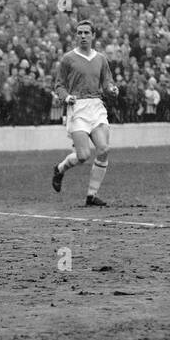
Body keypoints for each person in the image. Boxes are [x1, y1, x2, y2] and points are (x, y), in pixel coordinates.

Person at [50, 19, 118, 205]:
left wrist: (111, 89)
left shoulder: (101, 59)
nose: (83, 36)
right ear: (75, 36)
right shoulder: (68, 59)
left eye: (86, 33)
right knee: (83, 156)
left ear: (93, 35)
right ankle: (60, 169)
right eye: (79, 33)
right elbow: (59, 85)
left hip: (96, 106)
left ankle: (91, 196)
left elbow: (107, 82)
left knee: (103, 149)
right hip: (78, 107)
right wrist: (66, 97)